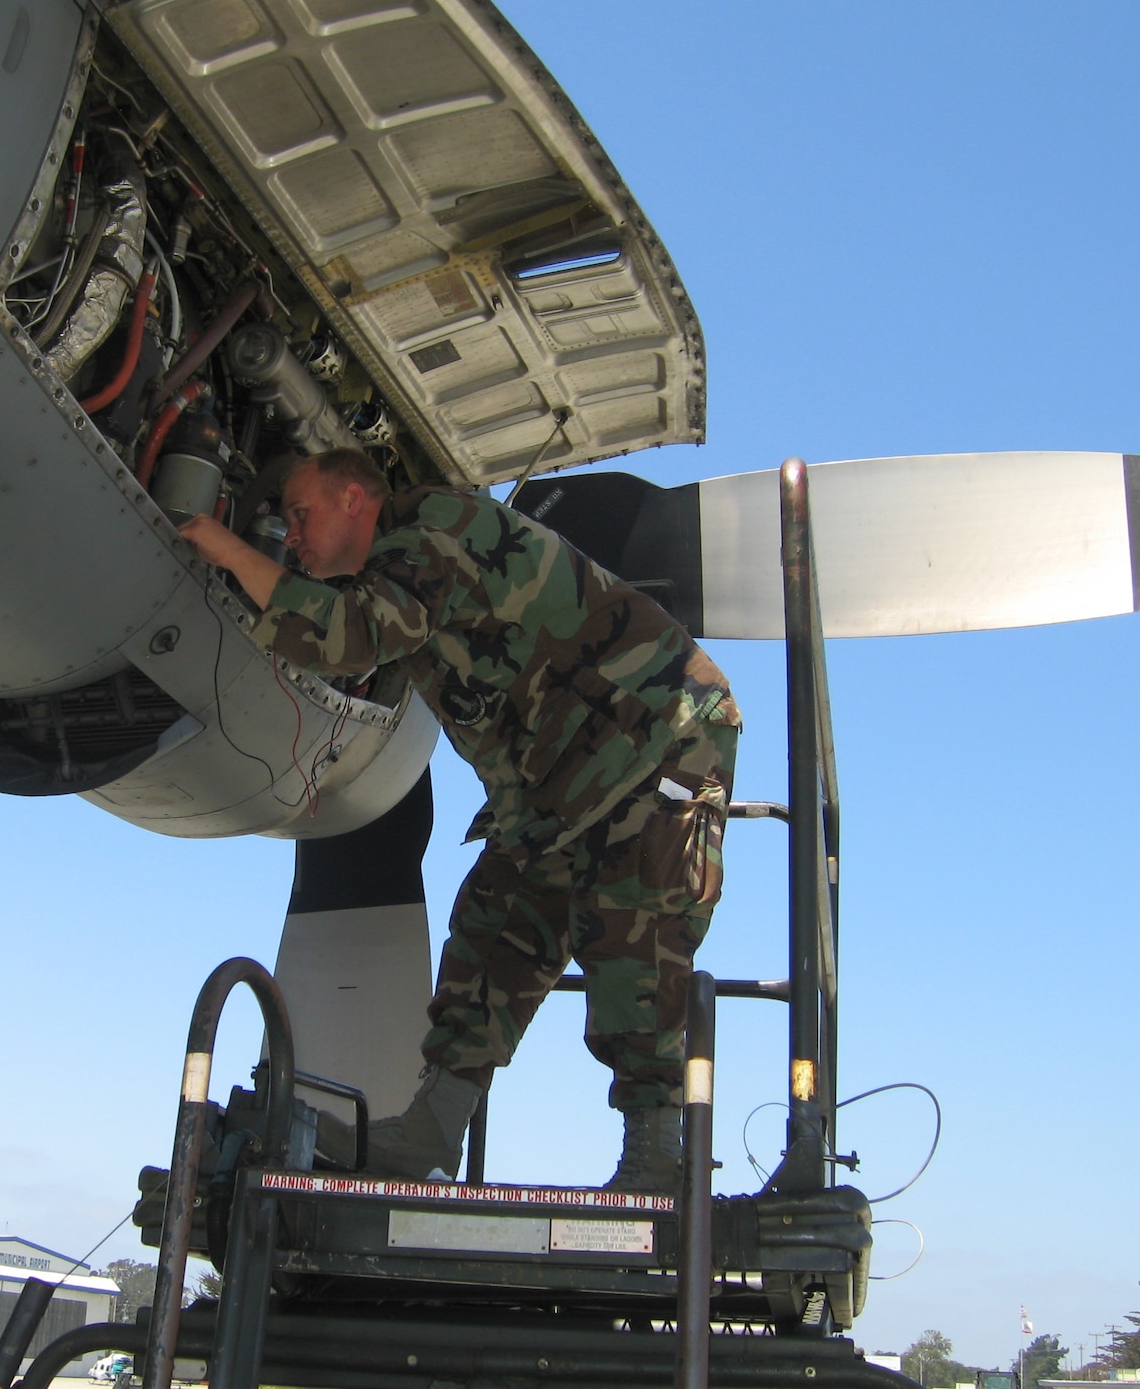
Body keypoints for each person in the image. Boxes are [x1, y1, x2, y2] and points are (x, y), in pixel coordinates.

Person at [177, 448, 740, 1192]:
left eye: (301, 515)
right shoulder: (405, 567)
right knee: (490, 936)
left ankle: (657, 1155)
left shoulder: (433, 530)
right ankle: (430, 1130)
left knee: (633, 936)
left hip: (653, 736)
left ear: (355, 498)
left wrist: (214, 542)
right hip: (552, 785)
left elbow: (346, 635)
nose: (294, 535)